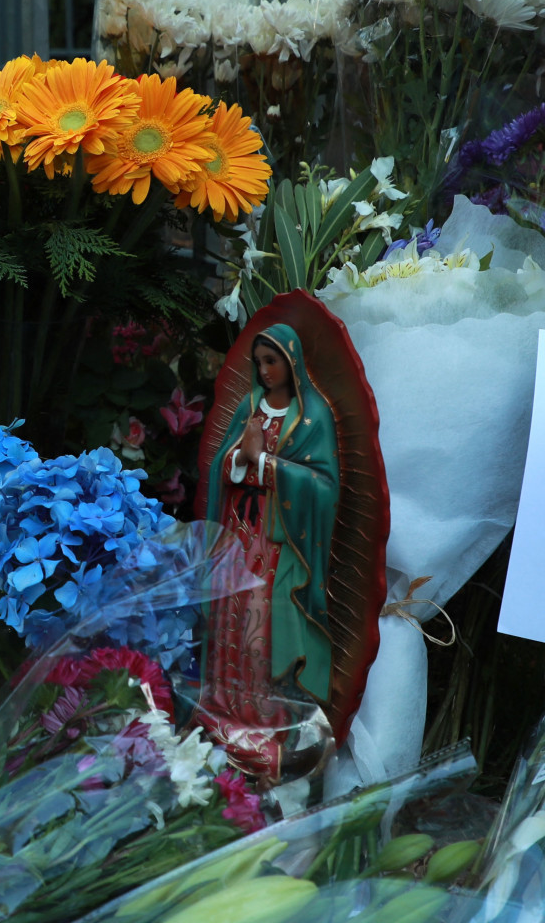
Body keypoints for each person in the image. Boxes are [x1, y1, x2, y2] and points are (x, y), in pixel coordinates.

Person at [198, 324, 340, 776]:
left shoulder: (312, 416)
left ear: (291, 361)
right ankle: (224, 711)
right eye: (259, 362)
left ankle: (265, 719)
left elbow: (324, 486)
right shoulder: (249, 406)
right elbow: (222, 465)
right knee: (230, 616)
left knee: (261, 624)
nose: (264, 370)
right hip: (239, 533)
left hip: (280, 544)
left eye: (271, 360)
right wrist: (239, 459)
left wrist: (264, 462)